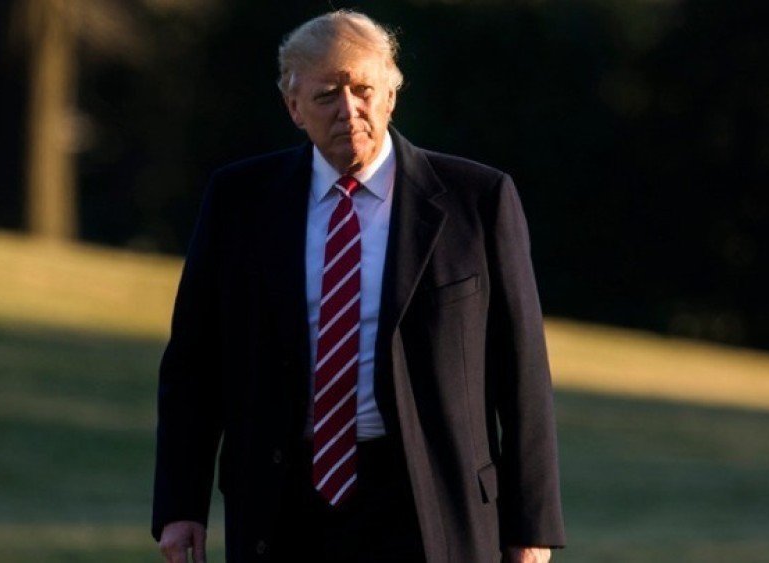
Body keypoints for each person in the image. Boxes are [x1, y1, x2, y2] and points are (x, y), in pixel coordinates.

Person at [152, 9, 565, 563]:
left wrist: (530, 527)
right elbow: (195, 364)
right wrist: (181, 506)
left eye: (363, 89)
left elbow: (522, 373)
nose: (349, 110)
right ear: (293, 108)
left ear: (391, 95)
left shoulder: (478, 200)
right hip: (282, 501)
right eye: (326, 95)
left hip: (430, 500)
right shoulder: (240, 201)